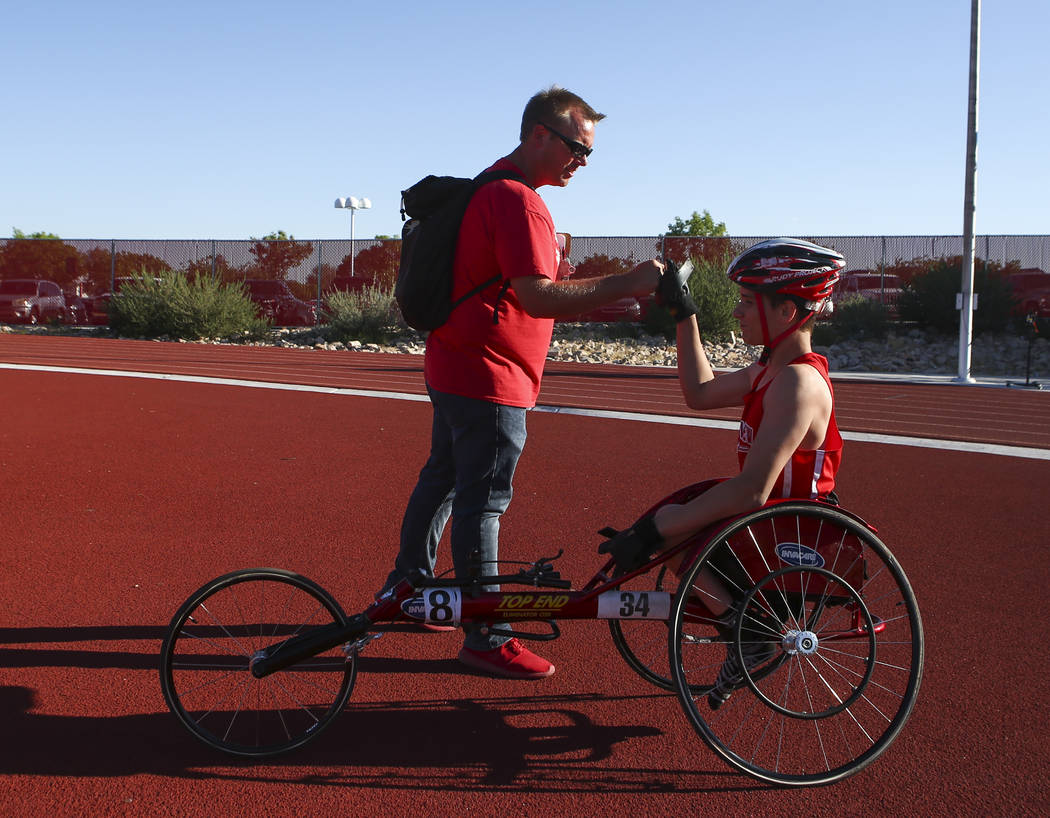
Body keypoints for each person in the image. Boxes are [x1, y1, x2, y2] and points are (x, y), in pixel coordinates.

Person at [381, 86, 662, 680]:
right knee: (483, 500)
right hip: (490, 376)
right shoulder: (519, 202)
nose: (581, 162)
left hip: (455, 364)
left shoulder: (488, 186)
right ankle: (486, 635)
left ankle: (408, 589)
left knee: (444, 478)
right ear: (539, 134)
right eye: (576, 149)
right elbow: (536, 296)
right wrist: (629, 283)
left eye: (588, 154)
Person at [600, 237, 846, 708]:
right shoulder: (771, 370)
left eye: (748, 303)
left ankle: (747, 629)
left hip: (789, 530)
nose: (737, 313)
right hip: (769, 523)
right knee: (670, 519)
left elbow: (753, 491)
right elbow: (700, 393)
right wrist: (682, 313)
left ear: (787, 314)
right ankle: (741, 622)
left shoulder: (797, 382)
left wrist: (656, 528)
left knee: (668, 527)